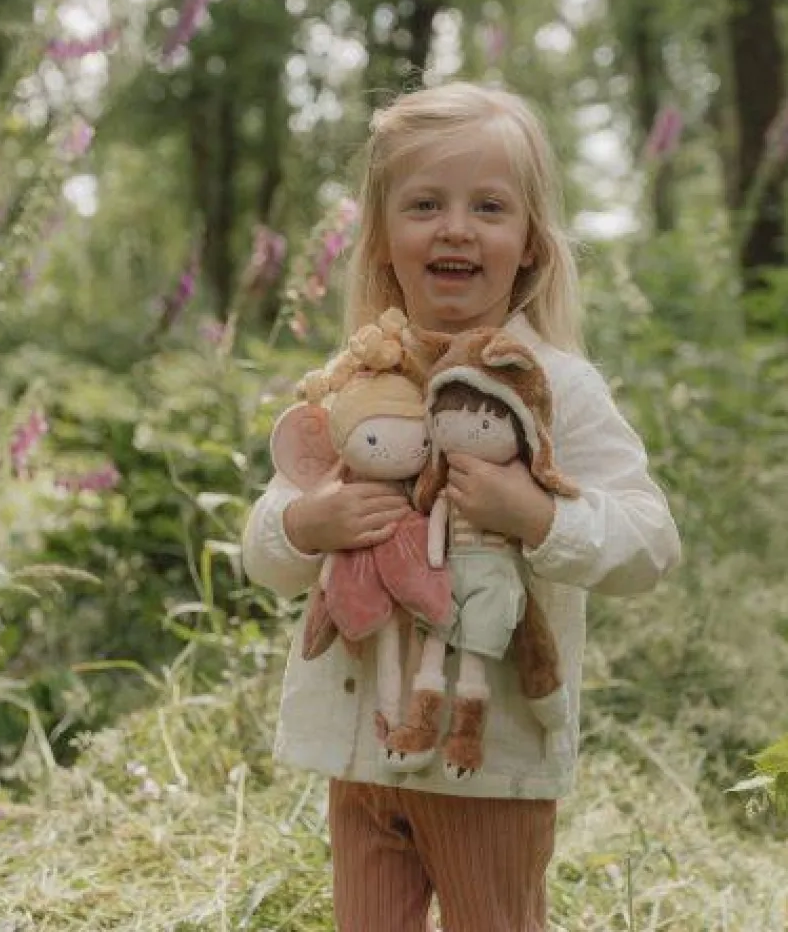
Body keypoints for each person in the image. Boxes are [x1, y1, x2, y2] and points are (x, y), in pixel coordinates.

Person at [241, 80, 681, 932]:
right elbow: (265, 550)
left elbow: (650, 542)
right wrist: (306, 523)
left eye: (488, 206)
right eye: (424, 204)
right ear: (382, 242)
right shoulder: (354, 386)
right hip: (365, 754)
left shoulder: (556, 388)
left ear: (529, 247)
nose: (455, 227)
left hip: (492, 760)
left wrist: (539, 517)